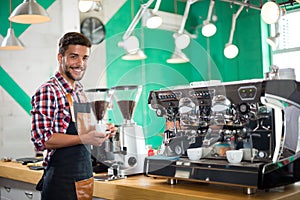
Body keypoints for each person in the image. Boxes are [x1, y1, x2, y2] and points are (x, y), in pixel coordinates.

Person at [31, 32, 116, 200]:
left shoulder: (79, 90)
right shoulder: (48, 91)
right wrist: (85, 138)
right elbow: (43, 140)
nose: (80, 63)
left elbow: (82, 130)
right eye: (74, 57)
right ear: (60, 57)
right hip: (61, 181)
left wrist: (101, 131)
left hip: (83, 178)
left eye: (85, 58)